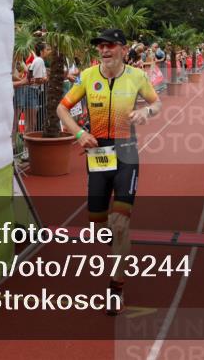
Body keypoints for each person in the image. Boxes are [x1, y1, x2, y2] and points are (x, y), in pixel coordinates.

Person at [56, 28, 161, 316]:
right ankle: (116, 242)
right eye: (101, 46)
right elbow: (61, 109)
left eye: (110, 46)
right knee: (99, 225)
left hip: (127, 153)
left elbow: (157, 104)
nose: (104, 50)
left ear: (123, 49)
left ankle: (116, 288)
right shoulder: (88, 77)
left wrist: (146, 113)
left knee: (120, 223)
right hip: (98, 155)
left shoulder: (137, 76)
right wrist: (79, 134)